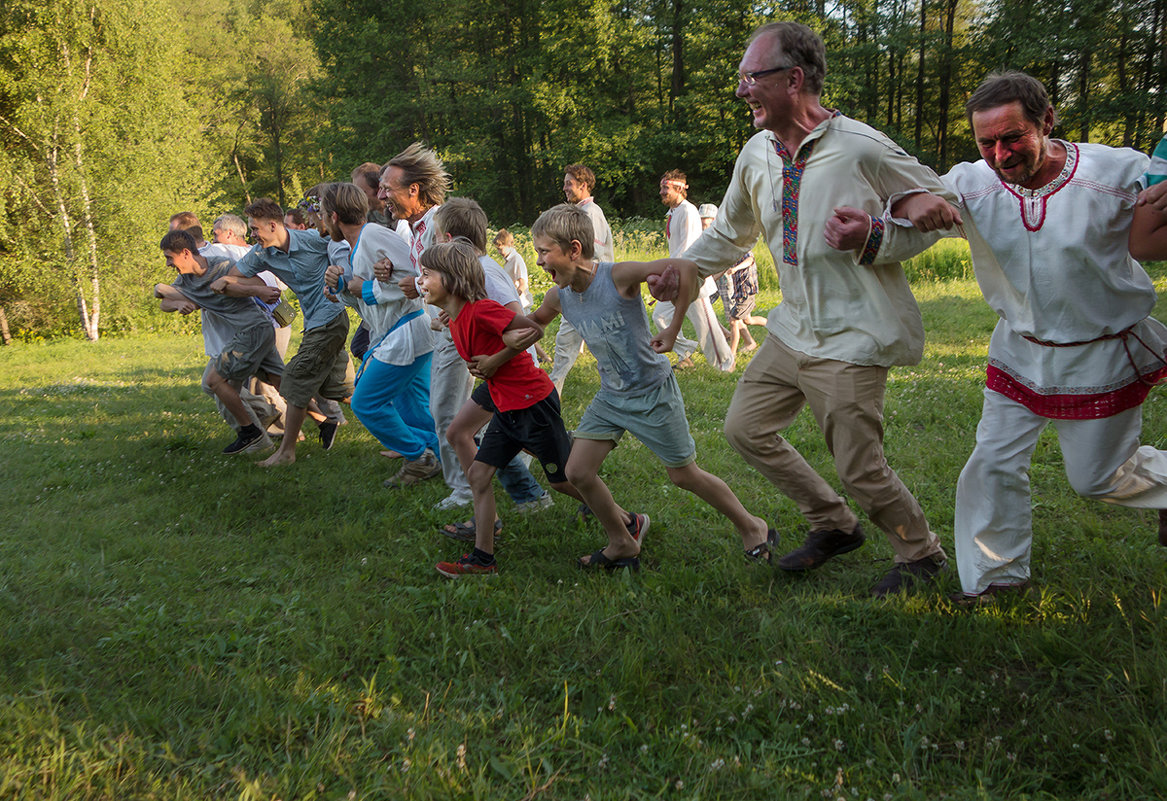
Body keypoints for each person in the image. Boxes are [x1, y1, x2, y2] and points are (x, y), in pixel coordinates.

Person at [675, 21, 954, 595]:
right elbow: (730, 232)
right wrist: (682, 270)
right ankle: (833, 523)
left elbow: (942, 207)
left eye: (751, 77)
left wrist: (877, 234)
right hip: (791, 331)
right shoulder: (757, 153)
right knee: (745, 429)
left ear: (793, 79)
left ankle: (921, 554)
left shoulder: (861, 147)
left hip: (854, 337)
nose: (740, 89)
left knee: (860, 466)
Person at [887, 72, 1167, 602]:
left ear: (1048, 122)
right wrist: (898, 209)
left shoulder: (1118, 172)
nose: (999, 153)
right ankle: (997, 577)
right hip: (1018, 350)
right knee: (991, 460)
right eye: (985, 141)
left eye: (1012, 137)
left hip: (1100, 353)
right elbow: (908, 204)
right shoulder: (971, 182)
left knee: (1098, 479)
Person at [529, 204, 777, 568]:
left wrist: (674, 330)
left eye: (544, 251)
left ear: (574, 249)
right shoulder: (559, 296)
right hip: (611, 396)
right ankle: (624, 540)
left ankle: (753, 526)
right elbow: (533, 322)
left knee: (683, 475)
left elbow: (687, 268)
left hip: (652, 392)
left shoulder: (618, 277)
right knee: (577, 472)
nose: (538, 261)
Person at [419, 241, 591, 576]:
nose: (420, 281)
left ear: (452, 280)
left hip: (532, 403)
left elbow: (532, 329)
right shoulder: (455, 316)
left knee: (563, 480)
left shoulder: (481, 309)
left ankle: (624, 520)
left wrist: (494, 361)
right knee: (479, 475)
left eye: (426, 274)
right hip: (505, 404)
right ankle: (484, 559)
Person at [210, 198, 355, 467]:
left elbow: (346, 244)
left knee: (294, 380)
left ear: (273, 225)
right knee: (341, 390)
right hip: (313, 322)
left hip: (331, 318)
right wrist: (232, 281)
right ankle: (392, 410)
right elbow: (234, 274)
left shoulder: (312, 239)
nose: (252, 235)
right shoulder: (262, 253)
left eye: (255, 229)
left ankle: (286, 453)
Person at [318, 182, 442, 487]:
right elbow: (361, 293)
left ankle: (419, 457)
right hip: (400, 334)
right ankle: (457, 459)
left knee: (365, 403)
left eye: (320, 214)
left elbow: (415, 278)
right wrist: (340, 287)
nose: (318, 221)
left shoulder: (373, 235)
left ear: (333, 216)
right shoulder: (357, 242)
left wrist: (365, 288)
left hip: (407, 332)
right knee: (417, 413)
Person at [154, 229, 283, 454]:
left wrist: (253, 290)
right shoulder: (185, 279)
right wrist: (176, 303)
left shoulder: (221, 265)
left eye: (169, 257)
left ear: (185, 253)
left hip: (252, 332)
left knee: (215, 382)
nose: (167, 264)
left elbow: (258, 284)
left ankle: (253, 431)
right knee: (281, 382)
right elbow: (165, 299)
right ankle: (322, 419)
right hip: (241, 337)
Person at [654, 170, 734, 371]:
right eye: (662, 187)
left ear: (679, 189)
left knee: (706, 326)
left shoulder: (688, 211)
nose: (662, 192)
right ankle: (686, 353)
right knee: (660, 316)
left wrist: (668, 274)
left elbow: (688, 248)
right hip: (675, 278)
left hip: (692, 280)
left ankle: (726, 365)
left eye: (666, 188)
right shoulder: (673, 212)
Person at [548, 164, 615, 396]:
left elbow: (590, 256)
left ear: (583, 185)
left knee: (604, 345)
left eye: (569, 183)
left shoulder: (591, 214)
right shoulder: (580, 213)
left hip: (593, 291)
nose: (565, 187)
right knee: (566, 343)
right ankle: (551, 393)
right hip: (579, 289)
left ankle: (624, 387)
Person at [699, 203, 767, 358]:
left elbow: (747, 258)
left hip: (730, 280)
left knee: (734, 316)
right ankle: (730, 335)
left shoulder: (727, 236)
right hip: (715, 276)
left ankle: (743, 343)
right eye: (701, 222)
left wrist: (732, 270)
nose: (703, 225)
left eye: (706, 222)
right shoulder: (706, 236)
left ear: (715, 220)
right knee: (704, 307)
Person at [494, 228, 551, 365]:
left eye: (501, 249)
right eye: (497, 249)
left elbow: (523, 284)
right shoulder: (508, 261)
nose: (499, 252)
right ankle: (542, 357)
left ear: (509, 245)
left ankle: (536, 359)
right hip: (514, 303)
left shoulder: (516, 259)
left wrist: (513, 299)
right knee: (524, 332)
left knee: (525, 333)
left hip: (521, 303)